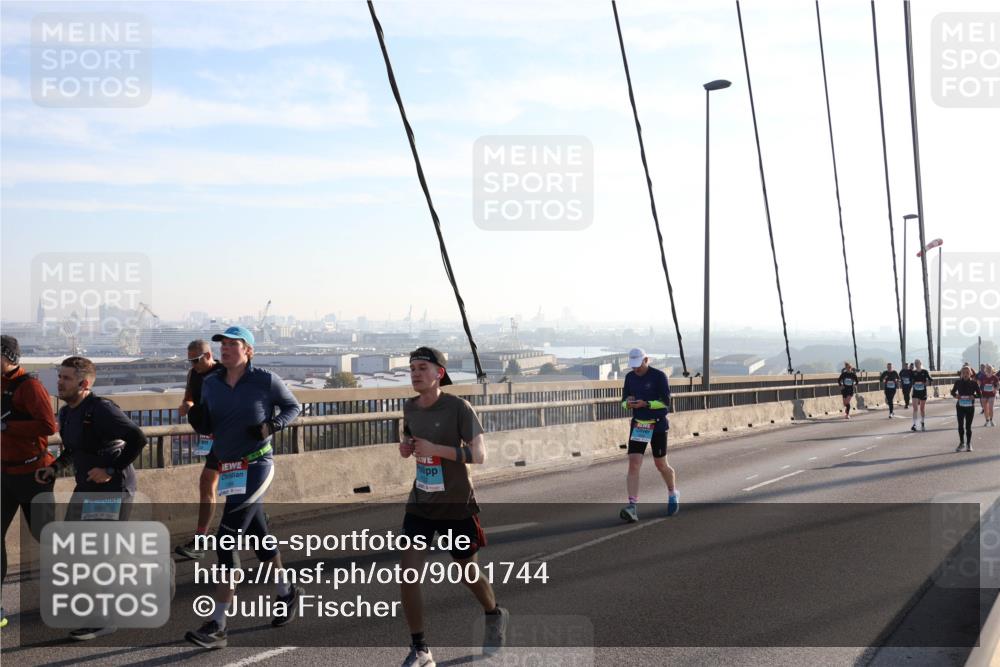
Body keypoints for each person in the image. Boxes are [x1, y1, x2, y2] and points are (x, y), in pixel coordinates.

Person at [184, 326, 302, 649]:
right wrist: (199, 419)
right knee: (259, 536)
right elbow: (210, 421)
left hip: (258, 464)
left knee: (226, 539)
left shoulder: (264, 379)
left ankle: (218, 624)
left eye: (233, 345)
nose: (225, 349)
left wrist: (271, 425)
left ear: (248, 350)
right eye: (222, 344)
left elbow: (294, 407)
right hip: (230, 468)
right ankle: (287, 592)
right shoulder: (210, 384)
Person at [397, 346, 507, 667]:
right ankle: (420, 649)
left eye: (422, 367)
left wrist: (437, 449)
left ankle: (493, 612)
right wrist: (407, 447)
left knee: (467, 572)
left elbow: (479, 455)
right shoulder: (410, 407)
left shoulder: (459, 407)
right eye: (412, 368)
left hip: (457, 506)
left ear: (439, 373)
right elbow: (410, 439)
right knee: (408, 574)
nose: (415, 373)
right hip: (420, 503)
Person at [34, 356, 147, 641]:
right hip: (85, 488)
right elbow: (75, 449)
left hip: (112, 490)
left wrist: (111, 469)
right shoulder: (68, 412)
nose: (59, 382)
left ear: (84, 384)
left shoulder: (102, 410)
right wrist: (55, 468)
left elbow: (138, 438)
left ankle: (103, 619)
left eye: (66, 378)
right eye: (60, 377)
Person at [1, 336, 58, 630]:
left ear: (8, 356)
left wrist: (8, 426)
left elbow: (49, 426)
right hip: (4, 473)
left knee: (46, 537)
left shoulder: (30, 387)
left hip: (33, 473)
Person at [174, 340, 224, 560]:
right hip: (211, 436)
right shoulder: (193, 375)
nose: (193, 364)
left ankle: (255, 518)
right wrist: (186, 406)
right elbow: (189, 398)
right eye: (190, 360)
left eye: (196, 360)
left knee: (234, 486)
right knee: (207, 483)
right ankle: (200, 539)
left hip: (231, 436)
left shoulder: (225, 371)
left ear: (208, 355)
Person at [619, 348, 676, 523]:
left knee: (661, 464)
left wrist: (647, 404)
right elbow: (622, 402)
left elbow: (666, 403)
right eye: (633, 366)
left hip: (657, 424)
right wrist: (627, 404)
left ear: (646, 360)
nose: (636, 369)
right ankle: (632, 506)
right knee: (634, 464)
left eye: (639, 366)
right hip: (640, 425)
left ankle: (672, 492)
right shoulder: (629, 377)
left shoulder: (659, 376)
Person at [951, 366, 982, 452]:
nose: (965, 374)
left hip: (970, 407)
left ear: (970, 374)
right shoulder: (957, 382)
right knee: (960, 426)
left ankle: (968, 443)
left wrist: (974, 396)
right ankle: (962, 443)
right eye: (963, 373)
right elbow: (952, 392)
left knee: (968, 427)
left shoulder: (974, 383)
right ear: (961, 374)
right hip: (960, 407)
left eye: (967, 373)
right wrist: (955, 395)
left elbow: (980, 394)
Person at [909, 359, 933, 432]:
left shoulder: (925, 371)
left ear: (920, 363)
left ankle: (922, 422)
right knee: (915, 408)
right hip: (915, 392)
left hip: (923, 392)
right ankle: (914, 424)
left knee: (922, 409)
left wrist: (927, 383)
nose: (916, 364)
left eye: (917, 363)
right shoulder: (913, 372)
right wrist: (913, 383)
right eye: (915, 363)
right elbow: (910, 380)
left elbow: (931, 380)